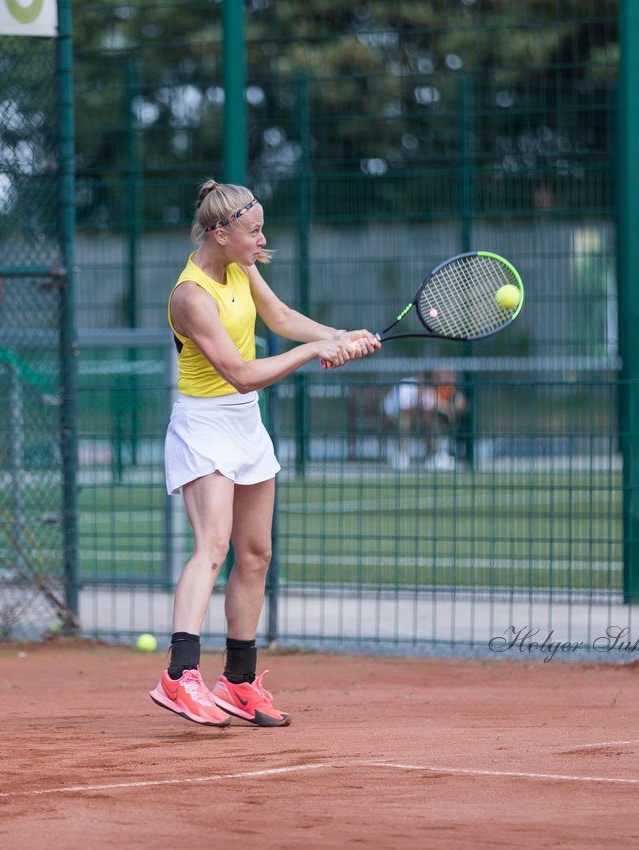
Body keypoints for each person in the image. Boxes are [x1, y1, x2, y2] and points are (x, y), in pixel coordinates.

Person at [149, 179, 380, 727]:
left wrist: (339, 335)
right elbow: (241, 375)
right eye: (253, 231)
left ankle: (238, 682)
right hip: (204, 424)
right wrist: (311, 352)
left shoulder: (240, 267)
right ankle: (180, 676)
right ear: (219, 231)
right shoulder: (191, 296)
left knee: (255, 554)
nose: (261, 239)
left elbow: (278, 318)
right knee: (213, 546)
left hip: (244, 427)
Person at [381, 369, 466, 470]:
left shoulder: (428, 391)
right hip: (390, 416)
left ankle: (433, 456)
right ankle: (402, 455)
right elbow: (404, 410)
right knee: (404, 420)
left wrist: (448, 410)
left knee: (430, 419)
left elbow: (435, 406)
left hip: (414, 417)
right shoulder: (407, 386)